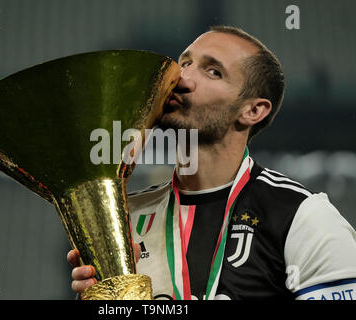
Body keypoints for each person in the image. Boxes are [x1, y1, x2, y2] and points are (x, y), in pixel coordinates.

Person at [67, 25, 356, 300]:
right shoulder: (127, 219)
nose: (182, 79)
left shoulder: (301, 217)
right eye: (185, 64)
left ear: (253, 110)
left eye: (213, 72)